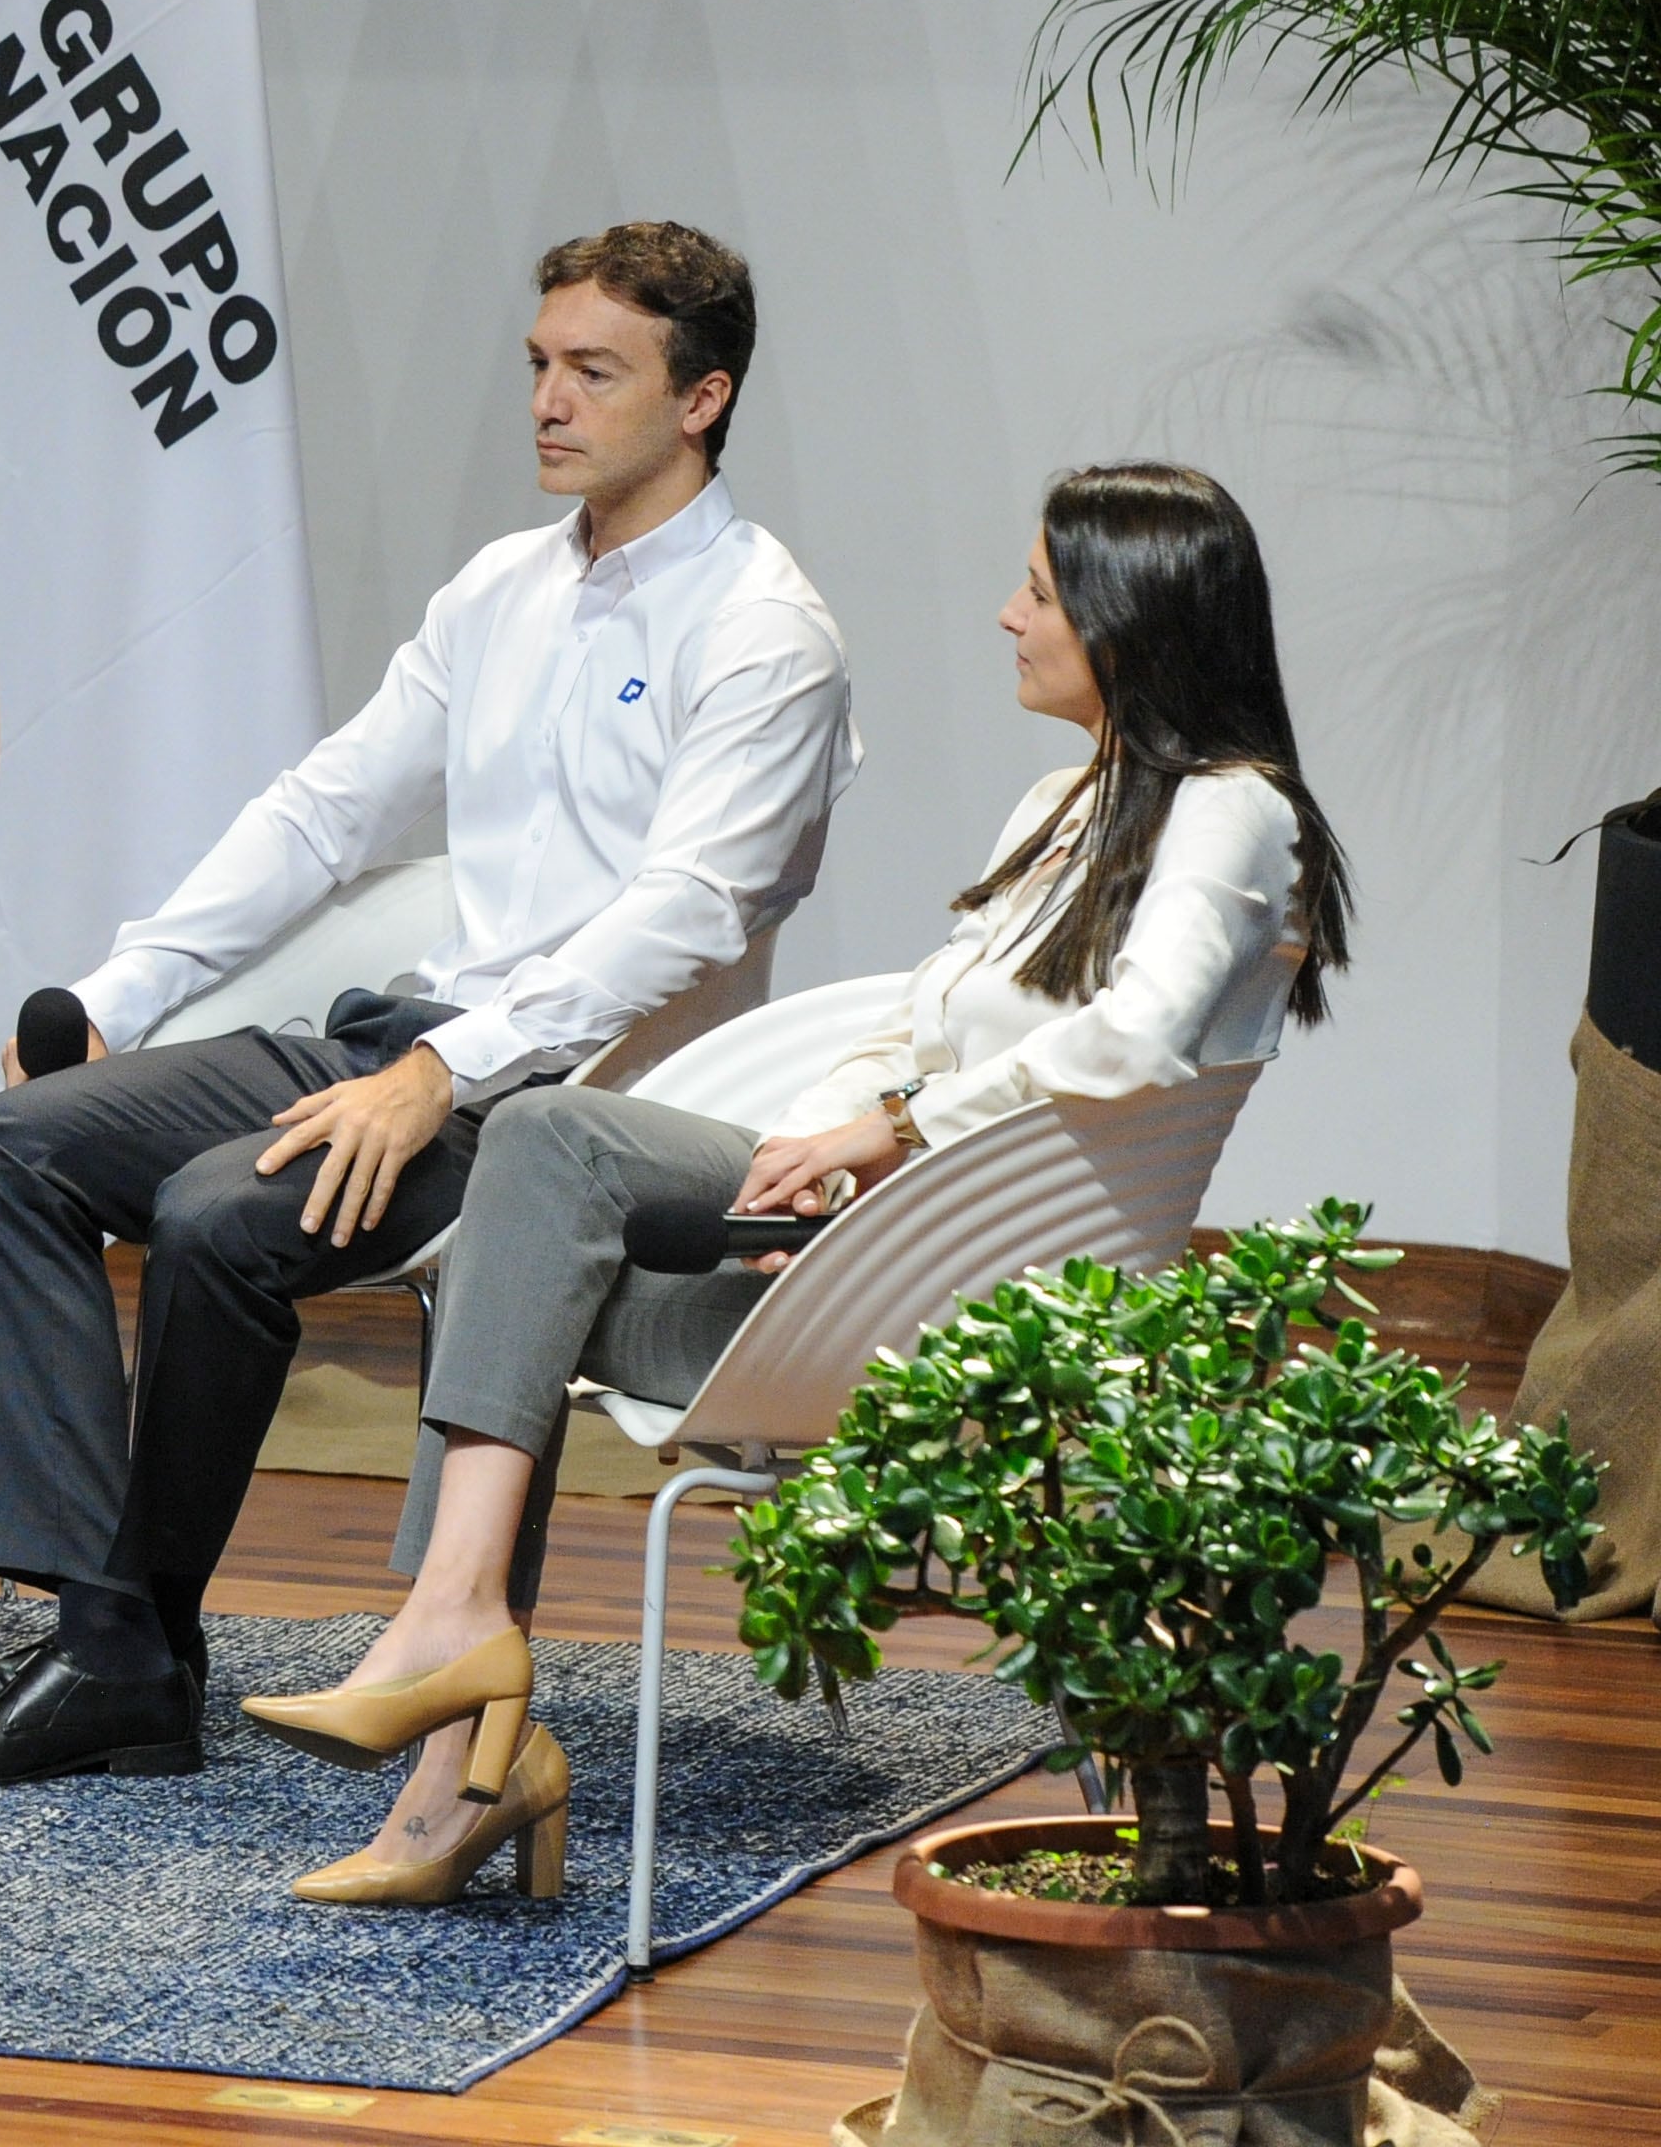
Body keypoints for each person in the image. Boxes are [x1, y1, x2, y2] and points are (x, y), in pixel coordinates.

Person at [240, 460, 1349, 1904]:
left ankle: (455, 1747)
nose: (1005, 616)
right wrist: (821, 1155)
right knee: (532, 1168)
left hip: (974, 1298)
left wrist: (894, 1131)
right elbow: (911, 1019)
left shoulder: (1230, 810)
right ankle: (452, 1675)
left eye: (1036, 589)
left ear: (1128, 619)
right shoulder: (1060, 806)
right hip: (886, 1243)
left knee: (513, 1251)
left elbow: (1133, 1038)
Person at [0, 221, 857, 1788]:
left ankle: (120, 1658)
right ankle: (105, 1638)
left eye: (595, 372)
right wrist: (129, 984)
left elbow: (689, 912)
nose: (547, 400)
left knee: (215, 1216)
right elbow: (329, 810)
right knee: (5, 1147)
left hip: (569, 1103)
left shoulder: (762, 628)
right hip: (404, 1032)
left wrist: (445, 1076)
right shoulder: (503, 588)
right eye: (539, 364)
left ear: (702, 398)